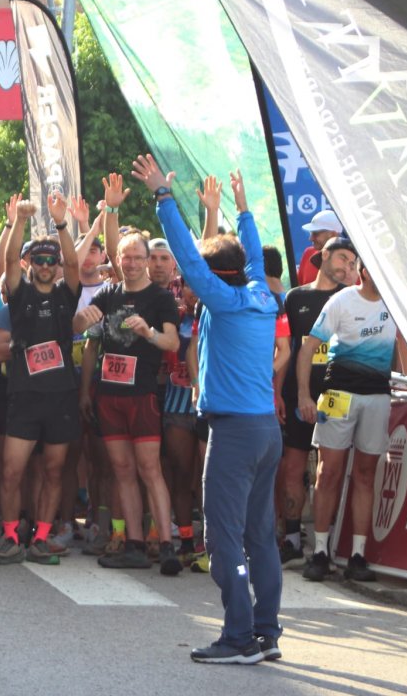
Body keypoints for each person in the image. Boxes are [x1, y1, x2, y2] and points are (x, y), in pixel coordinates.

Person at [133, 154, 282, 665]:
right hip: (266, 431)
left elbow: (187, 259)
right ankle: (267, 632)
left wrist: (163, 197)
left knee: (223, 539)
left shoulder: (222, 300)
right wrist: (241, 209)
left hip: (235, 434)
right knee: (261, 536)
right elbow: (254, 260)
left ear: (213, 276)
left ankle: (238, 636)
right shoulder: (262, 295)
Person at [73, 174, 181, 575]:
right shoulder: (108, 293)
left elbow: (171, 343)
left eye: (139, 257)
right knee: (121, 470)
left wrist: (148, 332)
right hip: (109, 396)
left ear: (147, 260)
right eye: (127, 257)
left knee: (150, 468)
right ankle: (135, 542)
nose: (133, 262)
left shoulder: (159, 297)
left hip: (142, 396)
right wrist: (79, 319)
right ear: (117, 261)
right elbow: (78, 330)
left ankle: (166, 544)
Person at [0, 192, 81, 565]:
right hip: (24, 396)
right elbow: (8, 260)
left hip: (60, 398)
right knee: (12, 470)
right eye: (38, 259)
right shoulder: (19, 294)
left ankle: (42, 536)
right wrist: (20, 220)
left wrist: (61, 223)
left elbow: (74, 263)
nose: (45, 264)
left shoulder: (64, 295)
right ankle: (10, 535)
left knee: (54, 470)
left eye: (50, 260)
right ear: (30, 263)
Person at [297, 259, 394, 584]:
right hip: (338, 395)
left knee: (366, 475)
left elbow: (404, 345)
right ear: (364, 270)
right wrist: (304, 396)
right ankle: (321, 552)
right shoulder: (341, 300)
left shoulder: (396, 304)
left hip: (376, 396)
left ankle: (357, 555)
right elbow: (309, 347)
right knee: (329, 472)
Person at [277, 236, 357, 567]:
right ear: (323, 257)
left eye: (353, 262)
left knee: (330, 472)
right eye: (341, 258)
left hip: (340, 397)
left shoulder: (355, 299)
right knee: (292, 468)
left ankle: (330, 541)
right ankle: (293, 538)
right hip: (298, 397)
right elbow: (286, 350)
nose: (346, 266)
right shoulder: (296, 298)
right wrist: (279, 393)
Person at [296, 210, 342, 286]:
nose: (310, 238)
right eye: (311, 233)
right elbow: (298, 288)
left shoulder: (351, 259)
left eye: (315, 233)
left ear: (333, 234)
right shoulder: (308, 253)